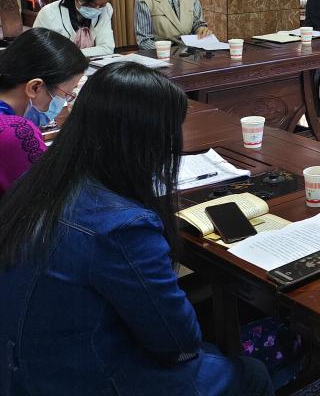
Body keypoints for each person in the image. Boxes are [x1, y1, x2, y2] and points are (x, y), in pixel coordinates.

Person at [0, 62, 274, 395]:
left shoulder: (39, 179)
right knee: (251, 373)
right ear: (148, 140)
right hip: (85, 378)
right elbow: (179, 344)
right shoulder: (121, 227)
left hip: (23, 368)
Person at [0, 29, 88, 195]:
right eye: (66, 94)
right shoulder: (15, 131)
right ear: (35, 87)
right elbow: (51, 193)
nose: (65, 101)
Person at [34, 0, 115, 57]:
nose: (97, 9)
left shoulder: (106, 9)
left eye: (102, 4)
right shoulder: (49, 14)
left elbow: (107, 48)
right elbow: (42, 52)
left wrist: (71, 54)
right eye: (91, 5)